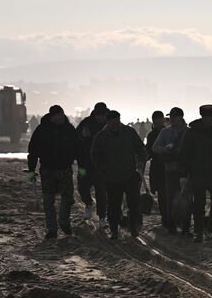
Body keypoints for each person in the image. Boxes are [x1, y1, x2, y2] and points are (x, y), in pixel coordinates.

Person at [27, 105, 87, 239]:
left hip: (65, 169)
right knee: (48, 200)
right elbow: (33, 151)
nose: (60, 118)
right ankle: (52, 229)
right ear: (52, 117)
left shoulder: (69, 129)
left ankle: (64, 221)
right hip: (47, 170)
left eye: (62, 115)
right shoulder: (42, 130)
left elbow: (79, 149)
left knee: (68, 198)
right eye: (58, 116)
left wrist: (82, 167)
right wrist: (31, 170)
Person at [91, 110, 147, 240]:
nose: (116, 125)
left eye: (118, 122)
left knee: (134, 204)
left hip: (130, 174)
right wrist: (103, 169)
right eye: (113, 123)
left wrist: (141, 158)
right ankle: (114, 231)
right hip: (112, 178)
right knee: (113, 206)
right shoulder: (101, 137)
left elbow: (140, 147)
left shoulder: (129, 132)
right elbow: (95, 155)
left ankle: (133, 228)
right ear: (108, 123)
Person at [179, 105, 212, 243]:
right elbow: (184, 153)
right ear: (202, 117)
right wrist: (184, 174)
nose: (210, 120)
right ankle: (198, 231)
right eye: (207, 118)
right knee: (199, 203)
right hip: (197, 172)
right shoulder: (192, 132)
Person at [152, 107, 190, 235]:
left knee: (186, 199)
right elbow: (155, 148)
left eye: (174, 117)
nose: (172, 119)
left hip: (186, 170)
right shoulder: (165, 132)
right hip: (170, 170)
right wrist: (165, 150)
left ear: (181, 117)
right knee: (170, 198)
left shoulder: (189, 132)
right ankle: (172, 226)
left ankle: (185, 227)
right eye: (171, 116)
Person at [75, 102, 109, 228]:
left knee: (101, 191)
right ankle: (88, 203)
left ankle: (101, 217)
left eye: (103, 115)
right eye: (98, 115)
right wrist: (84, 137)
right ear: (95, 114)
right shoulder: (86, 122)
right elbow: (75, 138)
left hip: (101, 166)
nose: (100, 118)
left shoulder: (109, 124)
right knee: (82, 187)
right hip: (84, 164)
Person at [145, 111, 167, 227]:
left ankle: (170, 217)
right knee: (162, 195)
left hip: (168, 168)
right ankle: (165, 218)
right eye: (156, 123)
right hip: (157, 169)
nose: (158, 125)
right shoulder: (151, 135)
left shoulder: (169, 132)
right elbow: (149, 151)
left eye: (160, 122)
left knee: (169, 194)